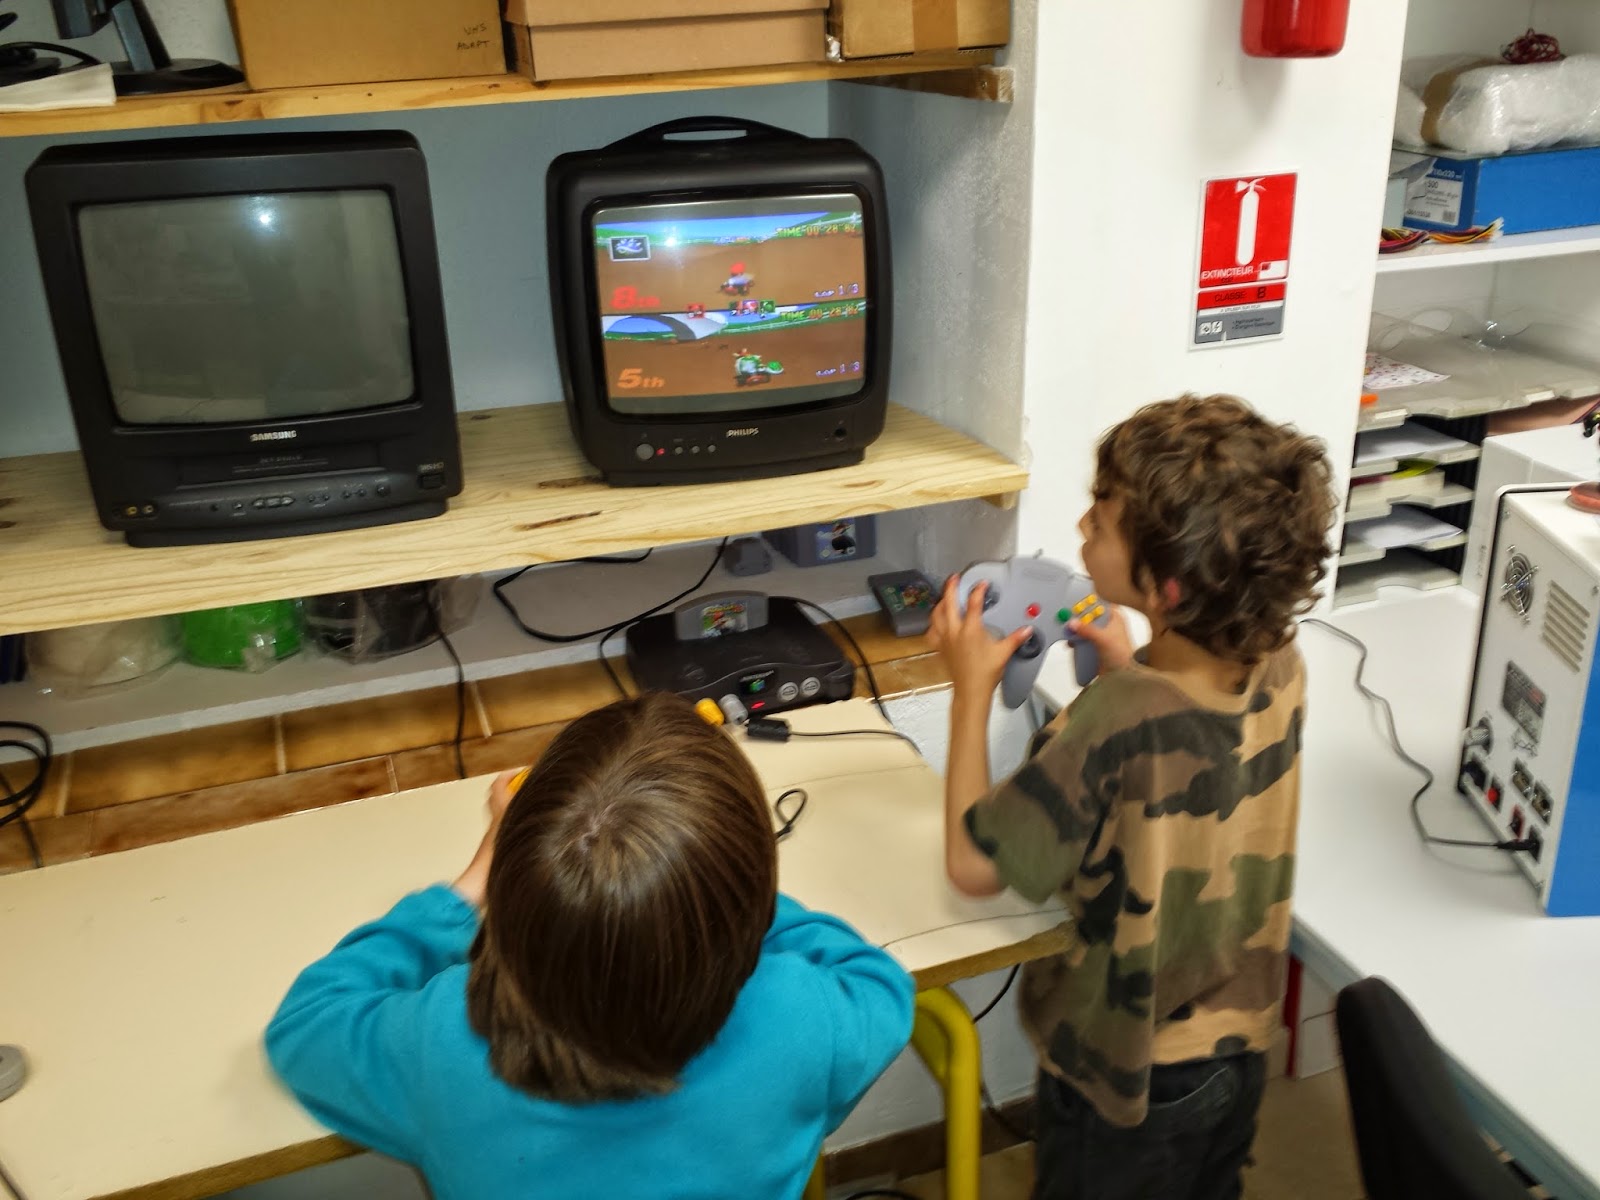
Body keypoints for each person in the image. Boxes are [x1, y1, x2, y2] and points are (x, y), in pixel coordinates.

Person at [265, 691, 913, 1200]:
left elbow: (306, 1022)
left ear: (515, 909)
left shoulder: (442, 1044)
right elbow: (881, 982)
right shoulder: (804, 1022)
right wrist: (725, 893)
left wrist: (471, 886)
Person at [929, 394, 1337, 1200]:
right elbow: (1184, 759)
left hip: (1122, 1075)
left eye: (1103, 516)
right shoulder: (1281, 659)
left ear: (1169, 588)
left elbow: (975, 867)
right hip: (1236, 1048)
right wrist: (1128, 660)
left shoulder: (1118, 718)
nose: (1083, 523)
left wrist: (969, 694)